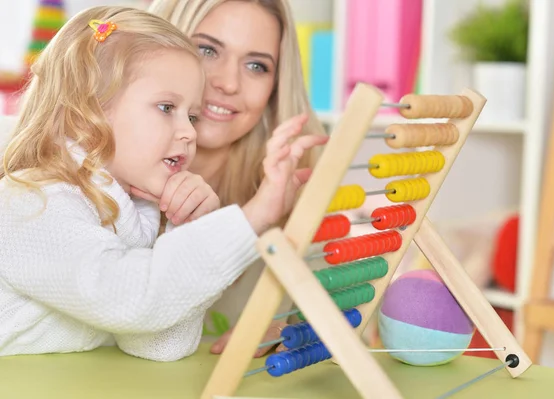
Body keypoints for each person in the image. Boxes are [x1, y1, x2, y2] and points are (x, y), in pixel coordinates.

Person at [0, 5, 325, 362]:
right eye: (167, 107)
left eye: (192, 115)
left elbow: (158, 344)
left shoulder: (134, 207)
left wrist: (184, 230)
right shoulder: (32, 201)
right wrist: (253, 218)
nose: (189, 132)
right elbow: (134, 302)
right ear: (87, 112)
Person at [147, 0, 329, 357]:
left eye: (256, 65)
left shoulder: (294, 189)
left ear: (275, 87)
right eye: (206, 50)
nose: (228, 83)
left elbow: (342, 319)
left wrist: (294, 333)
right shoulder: (86, 180)